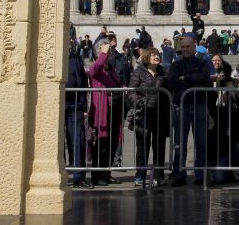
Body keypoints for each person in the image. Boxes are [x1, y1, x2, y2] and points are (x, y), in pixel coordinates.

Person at [167, 35, 213, 186]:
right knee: (180, 142)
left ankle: (201, 174)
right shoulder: (175, 65)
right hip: (181, 106)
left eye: (188, 46)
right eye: (183, 47)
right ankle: (179, 173)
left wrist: (185, 78)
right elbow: (173, 82)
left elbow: (205, 77)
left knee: (201, 141)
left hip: (199, 104)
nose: (185, 49)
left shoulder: (202, 62)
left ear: (194, 47)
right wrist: (193, 80)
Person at [128, 47, 170, 187]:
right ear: (146, 57)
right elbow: (131, 91)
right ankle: (140, 176)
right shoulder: (138, 72)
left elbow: (169, 92)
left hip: (160, 113)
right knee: (142, 146)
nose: (156, 56)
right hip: (144, 113)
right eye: (153, 54)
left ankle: (159, 175)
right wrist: (140, 102)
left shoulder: (163, 73)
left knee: (159, 146)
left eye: (157, 54)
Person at [88, 38, 123, 185]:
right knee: (102, 144)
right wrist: (103, 53)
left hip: (114, 110)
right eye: (107, 52)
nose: (109, 54)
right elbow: (96, 67)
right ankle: (97, 175)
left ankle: (106, 172)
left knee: (112, 143)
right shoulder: (96, 69)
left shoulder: (110, 69)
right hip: (103, 111)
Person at [65, 42, 91, 188]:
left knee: (78, 140)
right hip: (56, 103)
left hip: (75, 103)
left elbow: (82, 81)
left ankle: (79, 176)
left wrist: (82, 102)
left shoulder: (76, 58)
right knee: (55, 142)